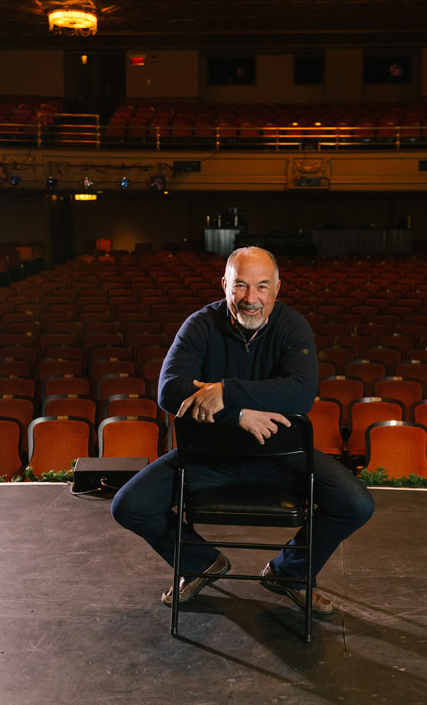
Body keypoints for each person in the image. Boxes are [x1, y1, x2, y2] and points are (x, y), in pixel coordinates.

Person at [111, 246, 374, 617]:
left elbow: (300, 393)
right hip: (207, 457)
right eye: (241, 286)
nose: (252, 299)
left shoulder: (292, 326)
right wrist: (239, 414)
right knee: (129, 506)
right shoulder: (200, 324)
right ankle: (199, 561)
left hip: (282, 458)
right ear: (224, 285)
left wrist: (223, 391)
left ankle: (290, 572)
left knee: (357, 505)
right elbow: (170, 390)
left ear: (278, 288)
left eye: (262, 286)